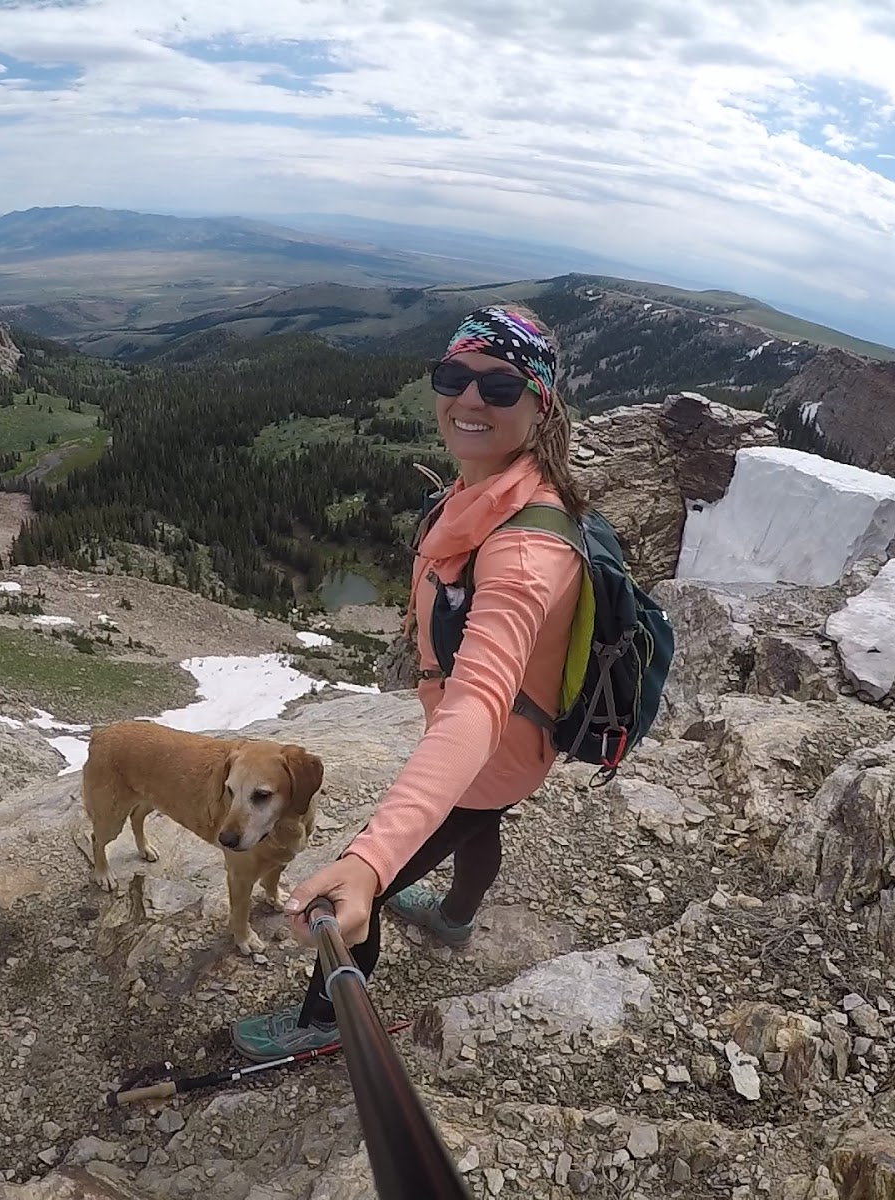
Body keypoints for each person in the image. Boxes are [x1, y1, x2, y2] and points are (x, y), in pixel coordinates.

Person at [231, 303, 589, 1062]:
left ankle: (323, 1022)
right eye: (454, 376)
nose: (468, 399)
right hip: (519, 749)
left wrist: (368, 862)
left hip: (488, 750)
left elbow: (477, 708)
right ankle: (457, 916)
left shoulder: (523, 551)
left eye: (499, 387)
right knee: (478, 825)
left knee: (367, 890)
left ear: (540, 403)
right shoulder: (502, 488)